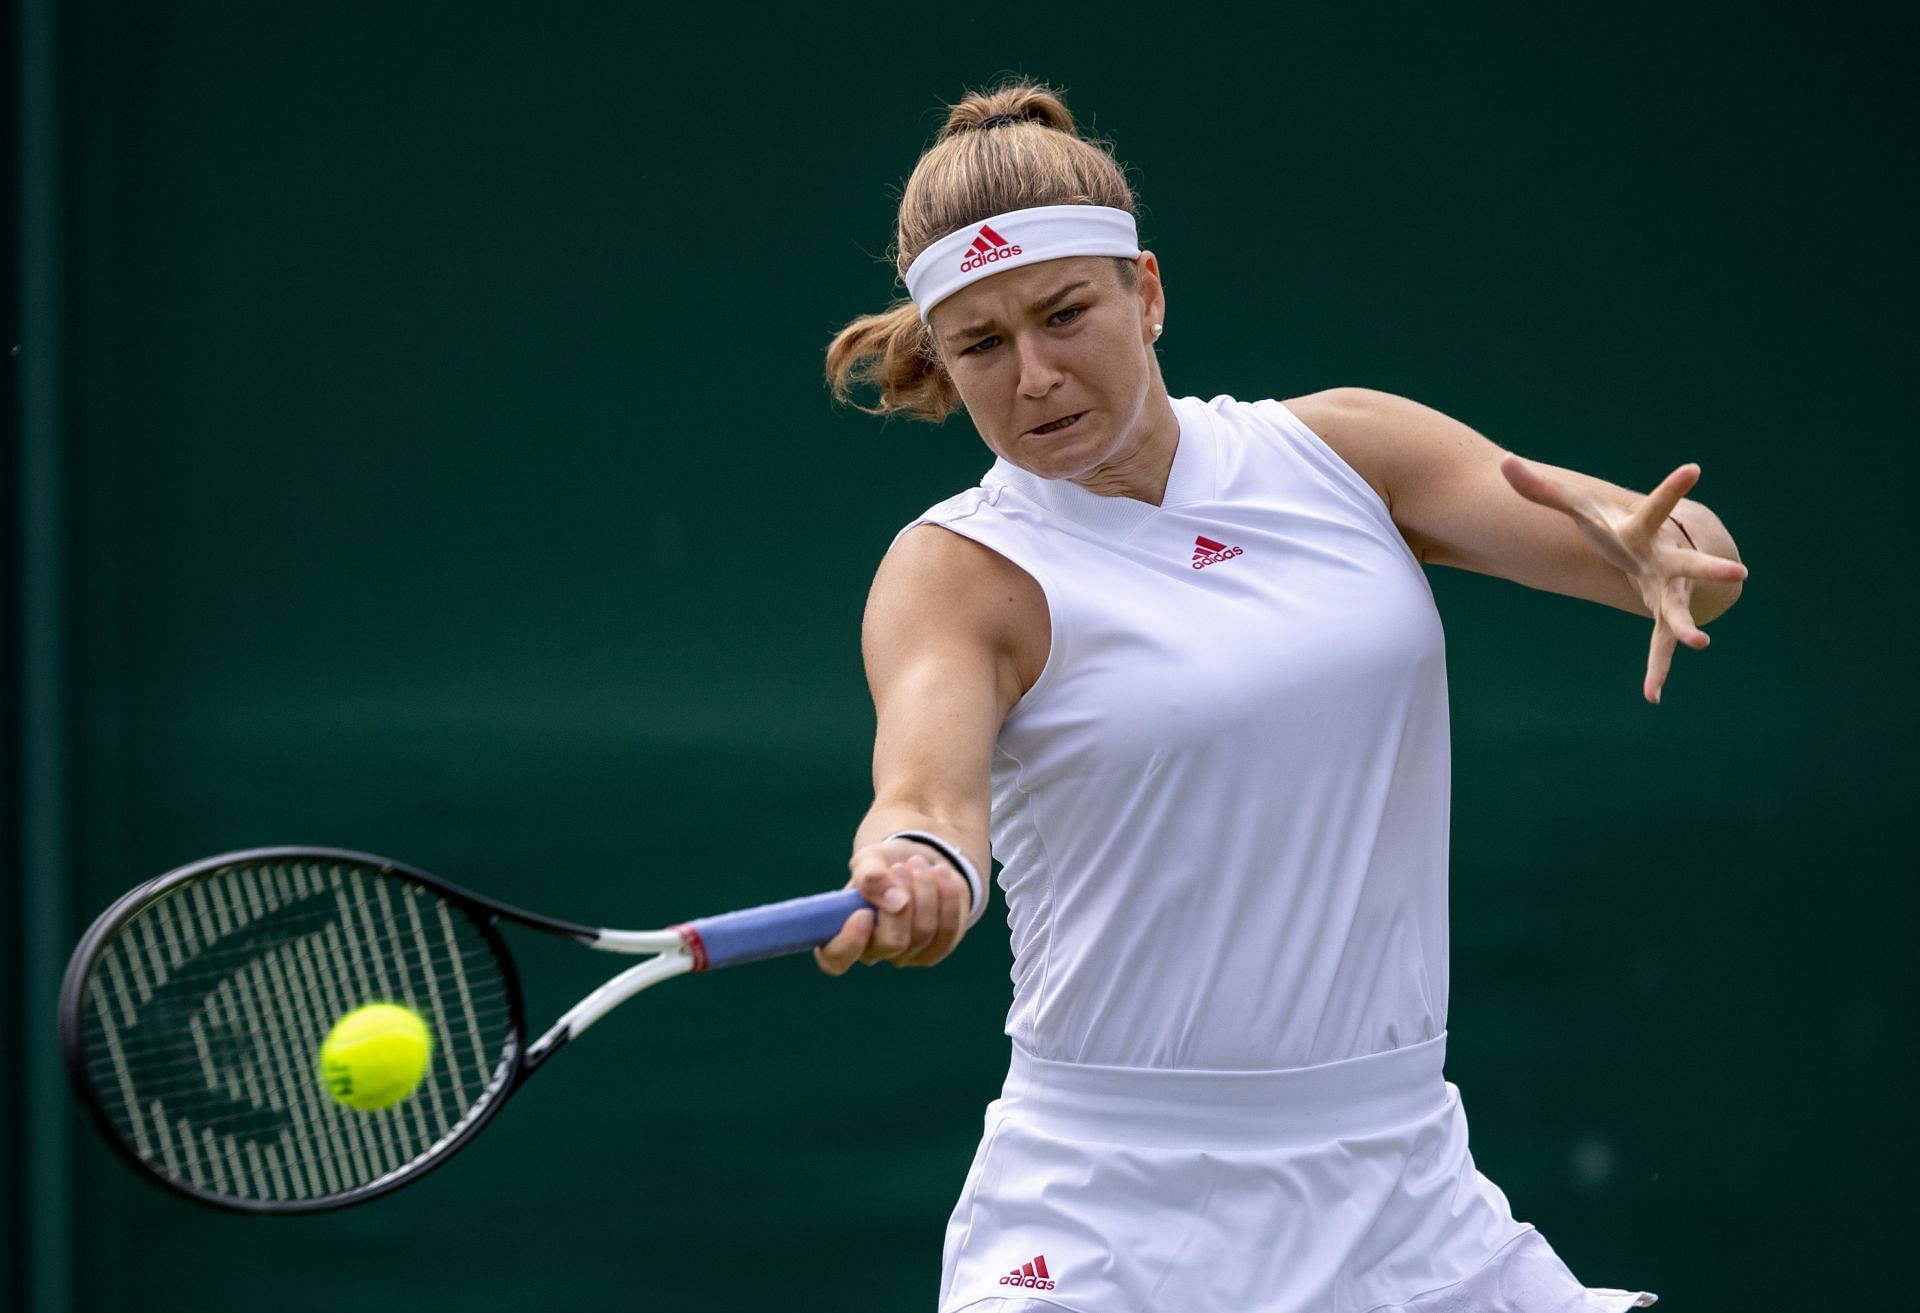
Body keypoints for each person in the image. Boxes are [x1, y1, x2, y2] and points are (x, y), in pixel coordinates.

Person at [815, 79, 1746, 1313]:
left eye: (1064, 313)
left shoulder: (1345, 450)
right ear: (944, 356)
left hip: (1402, 1191)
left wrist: (1656, 550)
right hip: (1106, 1212)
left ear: (1145, 293)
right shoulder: (957, 569)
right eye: (983, 343)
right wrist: (917, 860)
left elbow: (1696, 562)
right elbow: (926, 799)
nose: (1034, 375)